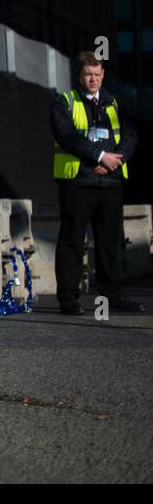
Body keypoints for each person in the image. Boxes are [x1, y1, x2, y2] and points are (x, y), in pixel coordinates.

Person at [50, 52, 146, 315]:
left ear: (103, 75)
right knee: (72, 240)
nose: (93, 79)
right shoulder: (64, 102)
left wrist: (117, 159)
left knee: (110, 241)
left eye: (97, 74)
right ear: (79, 76)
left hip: (110, 183)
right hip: (78, 182)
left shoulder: (114, 103)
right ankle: (68, 298)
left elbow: (130, 133)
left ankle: (112, 294)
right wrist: (100, 155)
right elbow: (67, 135)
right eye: (88, 75)